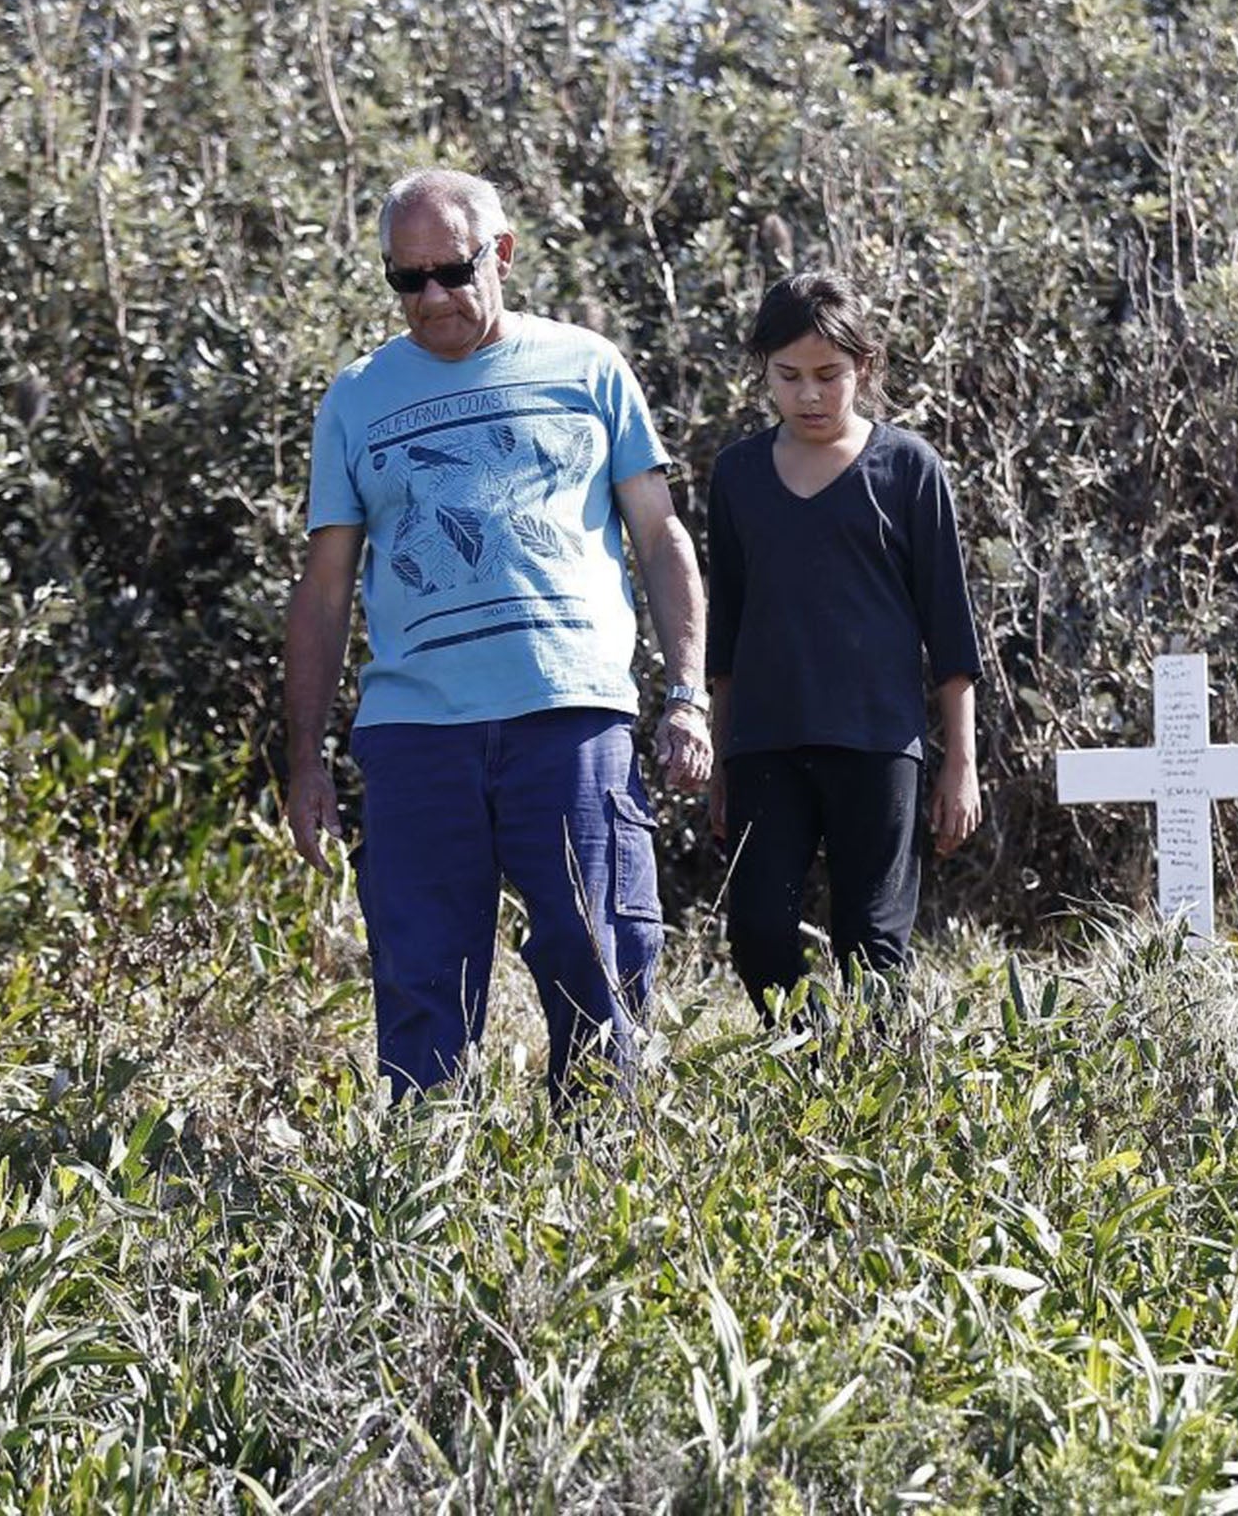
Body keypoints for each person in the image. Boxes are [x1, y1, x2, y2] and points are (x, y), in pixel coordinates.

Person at [283, 168, 712, 1101]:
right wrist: (306, 757)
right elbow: (324, 591)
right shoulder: (356, 398)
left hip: (571, 714)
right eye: (407, 279)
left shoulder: (589, 367)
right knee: (420, 977)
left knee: (598, 956)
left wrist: (688, 695)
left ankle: (601, 1181)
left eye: (451, 270)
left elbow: (660, 536)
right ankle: (424, 1191)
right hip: (414, 735)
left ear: (503, 254)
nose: (431, 296)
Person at [704, 271, 983, 1015]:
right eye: (789, 377)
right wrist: (720, 754)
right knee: (758, 932)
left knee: (873, 943)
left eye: (830, 375)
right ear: (761, 371)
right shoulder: (735, 476)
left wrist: (962, 765)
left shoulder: (908, 468)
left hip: (878, 742)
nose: (811, 395)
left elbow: (950, 631)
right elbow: (724, 632)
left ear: (866, 366)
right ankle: (816, 1068)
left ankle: (874, 1108)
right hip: (765, 744)